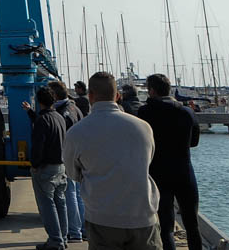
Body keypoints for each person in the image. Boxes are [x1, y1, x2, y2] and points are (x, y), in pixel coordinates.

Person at [62, 71, 162, 250]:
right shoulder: (143, 127)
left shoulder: (76, 133)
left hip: (102, 217)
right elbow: (147, 162)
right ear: (117, 96)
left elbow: (72, 173)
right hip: (142, 215)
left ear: (90, 95)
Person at [135, 74, 202, 250]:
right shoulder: (187, 112)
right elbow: (194, 142)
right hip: (184, 171)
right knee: (192, 224)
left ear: (152, 91)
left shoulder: (145, 112)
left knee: (166, 228)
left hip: (158, 172)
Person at [24, 85, 68, 249]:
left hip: (46, 169)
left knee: (47, 206)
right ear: (53, 100)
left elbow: (38, 146)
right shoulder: (59, 117)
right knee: (60, 203)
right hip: (61, 167)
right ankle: (63, 238)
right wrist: (30, 112)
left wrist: (34, 164)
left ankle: (55, 241)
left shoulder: (42, 121)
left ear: (38, 101)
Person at [50, 80, 86, 244]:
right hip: (79, 156)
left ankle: (74, 231)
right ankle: (83, 229)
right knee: (78, 194)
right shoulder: (75, 108)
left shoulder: (61, 113)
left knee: (69, 194)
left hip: (67, 158)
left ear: (54, 95)